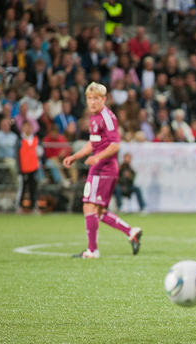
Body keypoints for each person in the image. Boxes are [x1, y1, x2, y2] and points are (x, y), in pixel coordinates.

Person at [63, 83, 142, 259]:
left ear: (104, 99)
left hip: (104, 168)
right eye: (89, 98)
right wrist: (75, 156)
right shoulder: (94, 117)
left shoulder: (107, 117)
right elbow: (93, 143)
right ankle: (131, 232)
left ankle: (92, 250)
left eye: (96, 98)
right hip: (99, 168)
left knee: (89, 207)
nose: (92, 102)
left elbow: (115, 144)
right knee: (96, 211)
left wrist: (98, 157)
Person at [16, 121, 41, 214]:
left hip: (34, 167)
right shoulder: (20, 139)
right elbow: (16, 154)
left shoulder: (35, 139)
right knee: (22, 189)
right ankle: (19, 206)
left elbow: (40, 152)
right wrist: (18, 168)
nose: (27, 129)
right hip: (23, 168)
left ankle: (34, 206)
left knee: (33, 189)